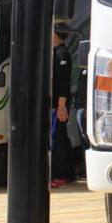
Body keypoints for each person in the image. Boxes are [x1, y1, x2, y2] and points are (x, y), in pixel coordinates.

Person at [50, 24, 76, 189]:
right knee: (62, 138)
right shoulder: (56, 52)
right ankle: (69, 174)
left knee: (57, 139)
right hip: (57, 104)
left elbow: (63, 81)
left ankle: (60, 176)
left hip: (58, 105)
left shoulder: (61, 54)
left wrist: (61, 105)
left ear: (56, 35)